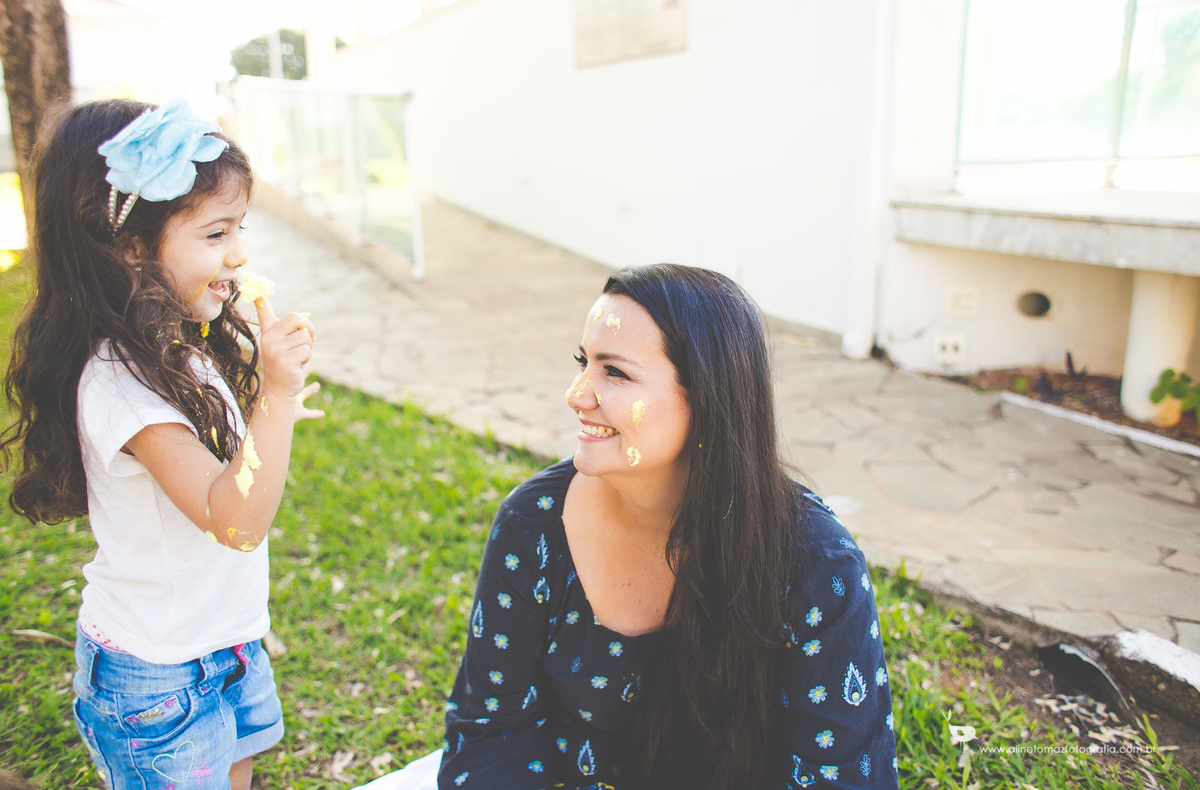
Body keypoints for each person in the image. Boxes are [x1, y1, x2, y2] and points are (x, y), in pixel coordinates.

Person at [362, 264, 897, 789]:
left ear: (709, 399)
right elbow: (490, 734)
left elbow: (839, 776)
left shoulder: (815, 564)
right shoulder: (535, 525)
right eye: (583, 363)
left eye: (614, 372)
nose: (577, 394)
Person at [0, 98, 322, 790]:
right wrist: (278, 399)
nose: (239, 254)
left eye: (239, 228)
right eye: (214, 233)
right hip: (158, 677)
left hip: (226, 644)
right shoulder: (120, 384)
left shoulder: (173, 344)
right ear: (130, 248)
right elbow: (234, 520)